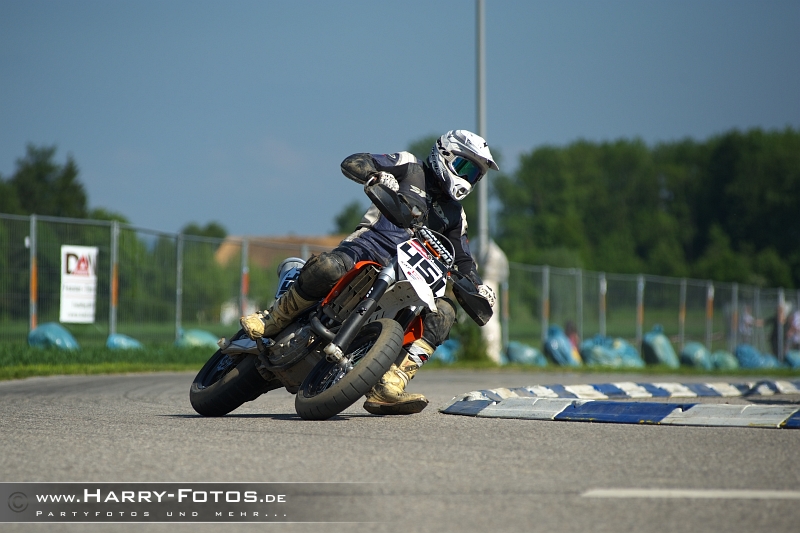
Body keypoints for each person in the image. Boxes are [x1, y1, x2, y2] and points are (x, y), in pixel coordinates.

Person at [240, 130, 499, 415]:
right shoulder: (409, 166)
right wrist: (377, 175)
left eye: (475, 174)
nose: (468, 178)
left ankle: (392, 382)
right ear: (445, 155)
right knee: (328, 266)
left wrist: (479, 286)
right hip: (367, 249)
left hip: (411, 279)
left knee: (445, 313)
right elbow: (355, 161)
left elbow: (463, 260)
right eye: (465, 167)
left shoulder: (456, 215)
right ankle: (274, 318)